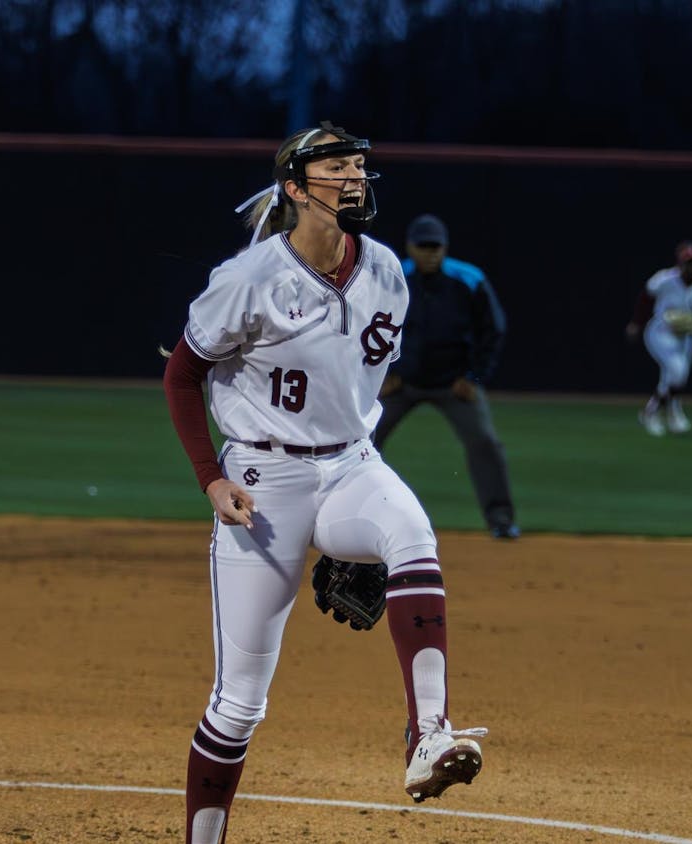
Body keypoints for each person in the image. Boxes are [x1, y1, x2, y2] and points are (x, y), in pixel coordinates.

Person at [162, 122, 487, 843]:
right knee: (239, 704)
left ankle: (428, 735)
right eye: (336, 166)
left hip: (349, 462)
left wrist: (351, 535)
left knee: (410, 533)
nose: (354, 177)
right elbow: (181, 373)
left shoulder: (387, 274)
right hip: (260, 481)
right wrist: (210, 478)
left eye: (359, 166)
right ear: (294, 187)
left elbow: (350, 393)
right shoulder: (247, 279)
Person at [373, 214, 519, 539]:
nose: (430, 253)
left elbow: (493, 330)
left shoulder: (468, 279)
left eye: (435, 246)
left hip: (455, 384)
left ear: (445, 248)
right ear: (410, 247)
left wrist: (474, 377)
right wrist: (383, 373)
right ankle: (349, 517)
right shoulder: (392, 278)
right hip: (402, 383)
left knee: (484, 441)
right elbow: (368, 327)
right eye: (423, 246)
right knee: (359, 442)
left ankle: (501, 520)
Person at [624, 240, 692, 436]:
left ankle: (672, 414)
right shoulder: (664, 279)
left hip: (686, 337)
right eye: (688, 262)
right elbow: (645, 298)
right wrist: (636, 323)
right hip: (660, 331)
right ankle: (651, 412)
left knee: (674, 377)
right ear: (680, 263)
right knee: (677, 370)